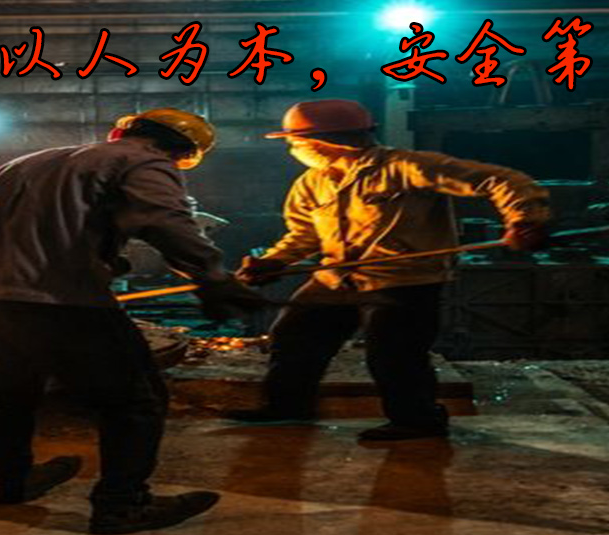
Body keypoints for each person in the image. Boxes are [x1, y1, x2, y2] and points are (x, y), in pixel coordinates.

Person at [0, 108, 267, 534]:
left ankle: (12, 478)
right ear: (183, 153)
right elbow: (165, 222)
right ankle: (121, 506)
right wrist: (213, 279)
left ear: (119, 132)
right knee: (135, 400)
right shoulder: (144, 162)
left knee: (11, 390)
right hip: (59, 298)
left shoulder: (24, 163)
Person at [228, 99, 551, 441]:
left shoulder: (405, 167)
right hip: (337, 277)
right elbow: (305, 234)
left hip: (402, 279)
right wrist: (276, 260)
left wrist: (525, 221)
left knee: (393, 353)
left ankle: (418, 420)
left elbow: (501, 179)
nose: (294, 148)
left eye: (296, 140)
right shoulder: (313, 182)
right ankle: (287, 407)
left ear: (323, 141)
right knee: (295, 335)